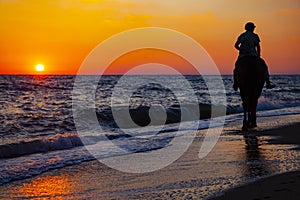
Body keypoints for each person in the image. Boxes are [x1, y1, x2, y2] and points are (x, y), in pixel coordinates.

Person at [233, 22, 275, 91]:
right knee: (264, 66)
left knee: (236, 68)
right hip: (253, 54)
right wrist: (259, 56)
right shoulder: (255, 36)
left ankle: (235, 84)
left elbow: (236, 45)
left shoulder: (242, 35)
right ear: (252, 28)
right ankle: (267, 83)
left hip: (243, 55)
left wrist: (241, 49)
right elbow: (258, 47)